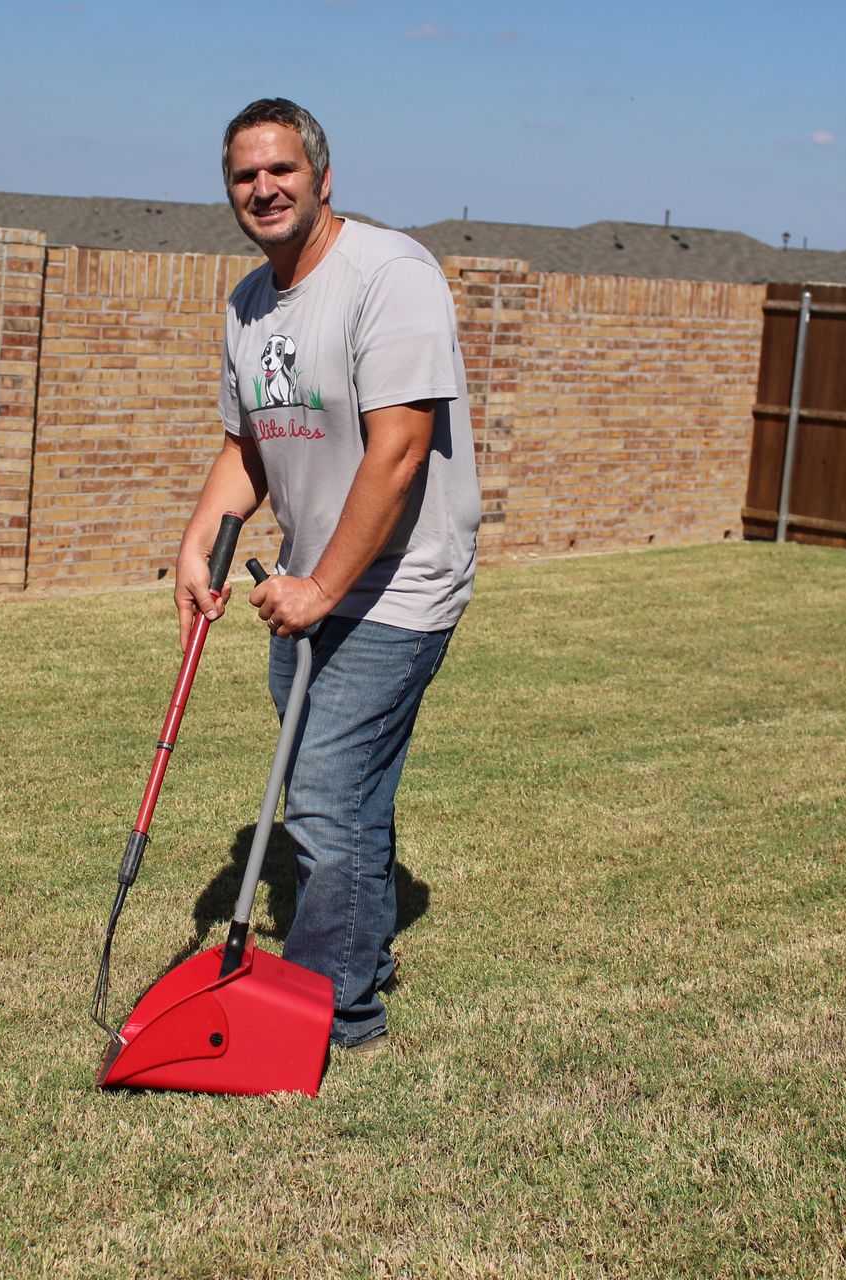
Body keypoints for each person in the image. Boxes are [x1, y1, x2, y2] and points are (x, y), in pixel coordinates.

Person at [173, 98, 481, 1050]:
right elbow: (249, 447)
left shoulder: (389, 274)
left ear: (322, 175)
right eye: (243, 175)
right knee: (350, 793)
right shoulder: (248, 304)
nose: (263, 188)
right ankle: (364, 949)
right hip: (308, 584)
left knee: (320, 787)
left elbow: (399, 451)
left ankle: (332, 1012)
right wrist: (199, 539)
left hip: (399, 583)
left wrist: (320, 588)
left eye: (281, 169)